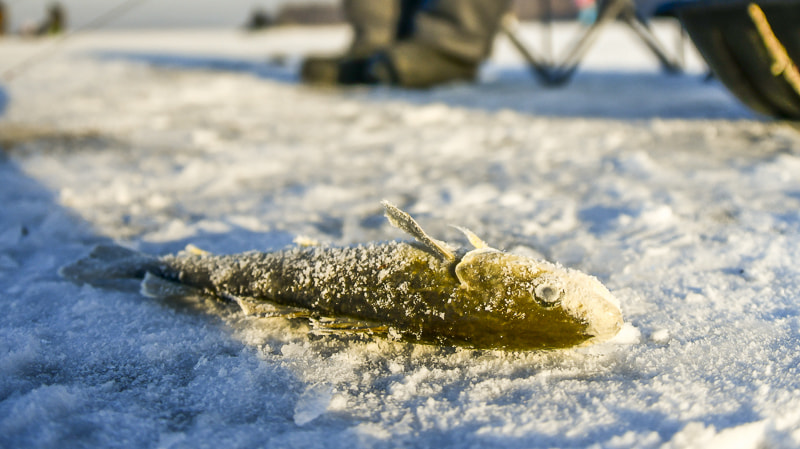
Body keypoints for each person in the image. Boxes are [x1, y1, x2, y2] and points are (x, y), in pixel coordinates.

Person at [301, 0, 511, 88]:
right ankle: (377, 41)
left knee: (453, 31)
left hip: (453, 31)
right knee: (379, 41)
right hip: (390, 37)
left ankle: (452, 43)